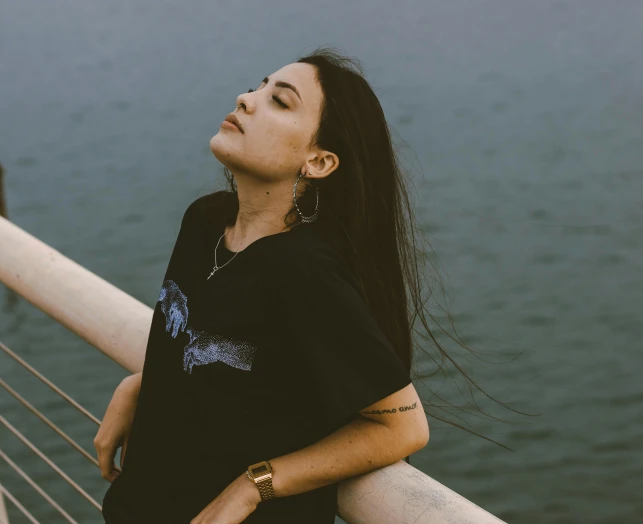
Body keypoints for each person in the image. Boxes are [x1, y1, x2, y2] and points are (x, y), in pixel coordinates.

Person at [96, 47, 430, 524]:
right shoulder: (205, 222)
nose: (246, 99)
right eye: (259, 87)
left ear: (318, 161)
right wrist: (144, 384)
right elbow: (233, 357)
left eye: (281, 101)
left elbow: (403, 427)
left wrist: (253, 487)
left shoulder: (304, 270)